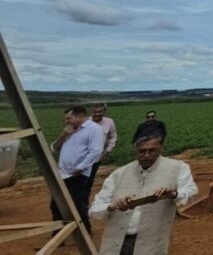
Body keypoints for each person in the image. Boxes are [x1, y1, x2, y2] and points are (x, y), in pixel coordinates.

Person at [89, 133, 198, 255]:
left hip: (151, 245)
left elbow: (191, 193)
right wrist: (112, 205)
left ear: (161, 148)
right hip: (114, 245)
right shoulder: (119, 174)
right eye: (142, 151)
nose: (147, 155)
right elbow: (94, 211)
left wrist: (173, 193)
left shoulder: (178, 168)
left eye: (152, 150)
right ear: (135, 150)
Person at [49, 105, 104, 233]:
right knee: (56, 205)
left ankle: (86, 232)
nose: (66, 121)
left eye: (69, 118)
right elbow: (54, 148)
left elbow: (96, 151)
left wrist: (80, 168)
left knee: (77, 205)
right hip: (62, 174)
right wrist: (63, 135)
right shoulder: (69, 130)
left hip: (78, 175)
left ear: (79, 116)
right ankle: (58, 235)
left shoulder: (93, 129)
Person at [89, 102, 118, 191]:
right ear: (91, 111)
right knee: (81, 179)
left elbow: (113, 136)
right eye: (95, 112)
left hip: (98, 156)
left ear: (104, 111)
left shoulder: (109, 122)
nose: (97, 114)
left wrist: (108, 150)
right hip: (84, 155)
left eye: (100, 112)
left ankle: (84, 198)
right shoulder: (86, 122)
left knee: (90, 180)